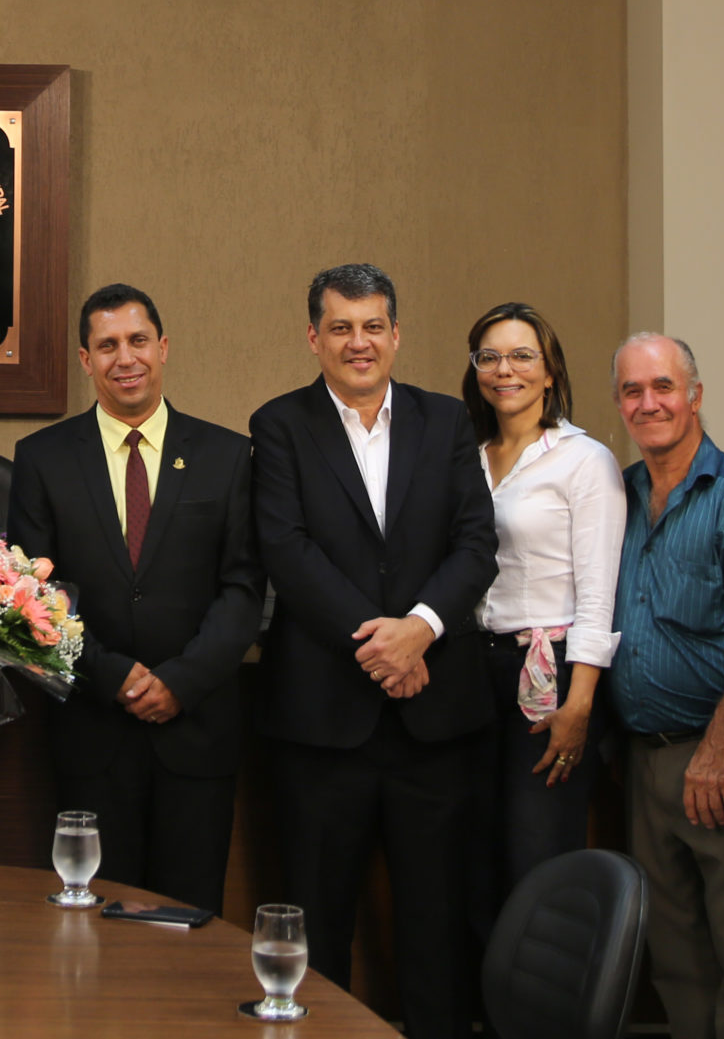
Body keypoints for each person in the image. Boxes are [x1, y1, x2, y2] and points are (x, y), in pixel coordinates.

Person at [248, 264, 497, 1039]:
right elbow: (286, 553)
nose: (360, 342)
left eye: (374, 325)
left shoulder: (448, 420)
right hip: (323, 724)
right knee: (318, 921)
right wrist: (383, 642)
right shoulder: (280, 425)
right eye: (342, 327)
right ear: (313, 337)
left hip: (436, 720)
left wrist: (420, 626)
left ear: (397, 334)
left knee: (436, 923)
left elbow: (477, 543)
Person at [6, 283, 263, 913]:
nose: (126, 358)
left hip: (197, 726)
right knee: (95, 919)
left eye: (138, 340)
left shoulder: (228, 456)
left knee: (189, 913)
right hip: (94, 727)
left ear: (164, 348)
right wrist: (115, 675)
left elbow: (244, 590)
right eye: (108, 345)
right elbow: (34, 594)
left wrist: (180, 680)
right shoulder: (42, 458)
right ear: (85, 359)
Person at [605, 332, 724, 1039]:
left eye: (662, 386)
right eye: (632, 390)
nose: (648, 402)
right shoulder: (618, 496)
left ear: (694, 395)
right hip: (646, 759)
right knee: (675, 956)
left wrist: (718, 749)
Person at [460, 302, 623, 894]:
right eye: (490, 356)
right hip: (473, 671)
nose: (506, 370)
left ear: (550, 371)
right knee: (476, 859)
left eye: (523, 356)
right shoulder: (464, 458)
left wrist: (579, 708)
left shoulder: (584, 460)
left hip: (550, 674)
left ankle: (544, 988)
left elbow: (599, 595)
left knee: (537, 857)